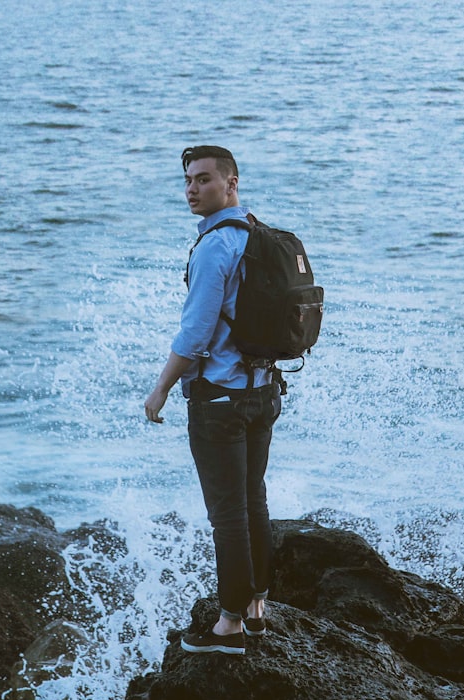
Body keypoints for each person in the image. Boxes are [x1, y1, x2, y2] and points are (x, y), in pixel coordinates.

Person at [144, 145, 282, 655]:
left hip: (220, 403)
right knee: (253, 501)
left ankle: (227, 627)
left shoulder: (213, 248)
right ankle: (255, 607)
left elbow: (195, 335)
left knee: (228, 515)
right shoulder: (261, 237)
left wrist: (159, 388)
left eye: (203, 179)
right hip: (264, 393)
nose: (191, 189)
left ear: (232, 182)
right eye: (187, 180)